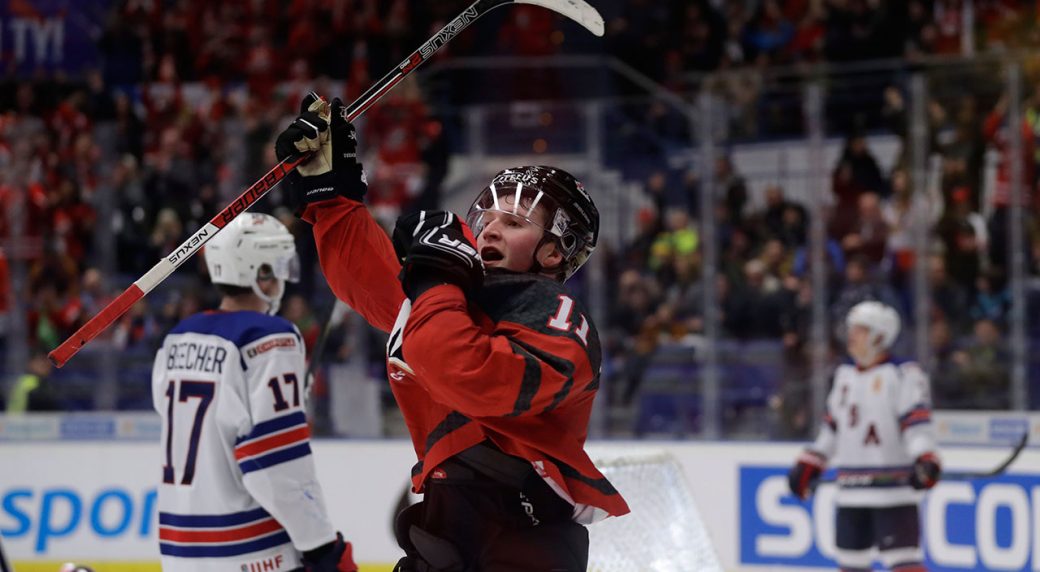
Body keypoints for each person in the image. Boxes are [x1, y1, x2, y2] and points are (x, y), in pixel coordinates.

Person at [275, 94, 629, 571]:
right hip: (453, 529)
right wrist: (331, 195)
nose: (489, 231)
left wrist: (437, 278)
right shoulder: (455, 302)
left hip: (519, 539)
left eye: (515, 222)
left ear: (553, 251)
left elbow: (469, 374)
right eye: (488, 218)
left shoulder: (556, 314)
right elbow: (373, 283)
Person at [151, 212, 356, 572]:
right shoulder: (271, 337)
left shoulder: (177, 337)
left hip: (178, 550)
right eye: (277, 266)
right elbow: (272, 459)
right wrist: (321, 544)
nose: (282, 277)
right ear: (260, 272)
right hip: (252, 550)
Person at [788, 301, 941, 572]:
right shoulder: (844, 377)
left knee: (904, 563)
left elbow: (916, 427)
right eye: (852, 329)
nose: (851, 335)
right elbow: (832, 431)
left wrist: (925, 458)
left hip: (893, 494)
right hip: (851, 493)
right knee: (851, 565)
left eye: (860, 329)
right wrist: (811, 461)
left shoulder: (903, 374)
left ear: (879, 336)